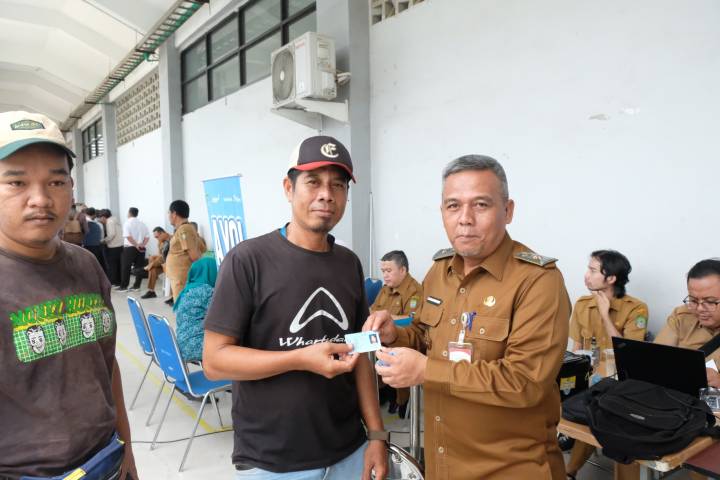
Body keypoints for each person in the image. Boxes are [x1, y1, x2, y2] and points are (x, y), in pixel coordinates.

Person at [365, 155, 571, 480]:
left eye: (481, 205)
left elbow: (525, 383)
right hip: (444, 463)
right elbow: (425, 336)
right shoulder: (440, 271)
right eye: (453, 206)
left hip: (509, 469)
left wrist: (426, 371)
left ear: (508, 211)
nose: (465, 219)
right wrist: (395, 335)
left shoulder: (538, 281)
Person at [203, 135, 387, 480]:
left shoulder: (348, 263)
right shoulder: (248, 260)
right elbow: (214, 361)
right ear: (289, 188)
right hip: (273, 462)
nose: (326, 195)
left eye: (338, 185)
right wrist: (300, 359)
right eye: (313, 182)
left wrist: (376, 434)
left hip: (349, 451)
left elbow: (359, 353)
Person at [0, 111, 137, 478]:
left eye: (56, 182)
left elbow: (106, 366)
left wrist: (127, 449)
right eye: (16, 182)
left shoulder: (86, 265)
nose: (40, 199)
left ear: (72, 188)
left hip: (105, 461)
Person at [565, 250, 649, 480]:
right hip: (588, 378)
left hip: (620, 382)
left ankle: (570, 471)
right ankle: (567, 471)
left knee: (601, 417)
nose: (586, 275)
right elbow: (575, 349)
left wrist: (605, 315)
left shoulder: (636, 308)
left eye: (593, 270)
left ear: (611, 278)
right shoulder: (582, 305)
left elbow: (628, 356)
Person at [370, 250, 423, 417]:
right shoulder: (385, 290)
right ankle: (384, 392)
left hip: (405, 342)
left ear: (403, 270)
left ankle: (402, 399)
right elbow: (372, 310)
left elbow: (412, 320)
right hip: (381, 341)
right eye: (383, 271)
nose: (384, 275)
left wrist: (387, 318)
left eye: (388, 271)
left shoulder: (415, 291)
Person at [656, 258, 720, 387]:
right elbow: (656, 360)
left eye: (710, 301)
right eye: (694, 301)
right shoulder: (681, 317)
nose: (700, 308)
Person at [173, 256, 217, 362]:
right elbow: (225, 316)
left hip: (182, 346)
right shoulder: (207, 291)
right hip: (197, 348)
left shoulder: (187, 290)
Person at [165, 200, 202, 301]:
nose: (168, 216)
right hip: (178, 278)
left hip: (181, 279)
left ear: (174, 214)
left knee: (181, 305)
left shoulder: (184, 229)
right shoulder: (184, 228)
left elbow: (194, 255)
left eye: (169, 213)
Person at [118, 207, 149, 292]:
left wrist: (136, 245)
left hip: (130, 248)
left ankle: (124, 287)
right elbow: (147, 237)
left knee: (126, 267)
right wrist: (142, 245)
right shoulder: (142, 224)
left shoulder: (127, 223)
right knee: (139, 267)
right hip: (141, 248)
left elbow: (128, 236)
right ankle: (137, 286)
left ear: (129, 213)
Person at [140, 227, 171, 299]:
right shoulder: (160, 241)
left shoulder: (171, 240)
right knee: (152, 267)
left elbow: (164, 257)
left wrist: (151, 264)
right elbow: (160, 256)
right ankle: (151, 291)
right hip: (163, 264)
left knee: (152, 265)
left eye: (157, 237)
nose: (157, 239)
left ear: (162, 233)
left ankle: (146, 268)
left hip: (170, 264)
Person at [99, 209, 124, 286]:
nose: (100, 220)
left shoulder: (109, 222)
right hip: (120, 246)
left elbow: (111, 234)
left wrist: (103, 241)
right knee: (118, 265)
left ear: (103, 217)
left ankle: (113, 281)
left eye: (100, 218)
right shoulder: (115, 220)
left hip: (113, 246)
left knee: (112, 265)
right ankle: (118, 281)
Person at [83, 207, 106, 273]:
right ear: (94, 215)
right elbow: (101, 237)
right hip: (97, 247)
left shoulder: (83, 222)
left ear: (85, 214)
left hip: (85, 246)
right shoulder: (98, 224)